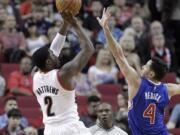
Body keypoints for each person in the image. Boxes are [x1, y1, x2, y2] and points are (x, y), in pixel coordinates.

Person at [97, 8, 180, 135]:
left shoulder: (136, 82)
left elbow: (118, 55)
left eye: (146, 66)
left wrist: (106, 29)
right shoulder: (168, 89)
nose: (142, 67)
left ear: (151, 74)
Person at [32, 12, 94, 135]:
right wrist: (76, 25)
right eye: (52, 55)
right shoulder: (63, 75)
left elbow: (55, 48)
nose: (56, 54)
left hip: (49, 130)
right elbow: (89, 49)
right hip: (70, 128)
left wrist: (65, 24)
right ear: (49, 62)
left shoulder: (36, 77)